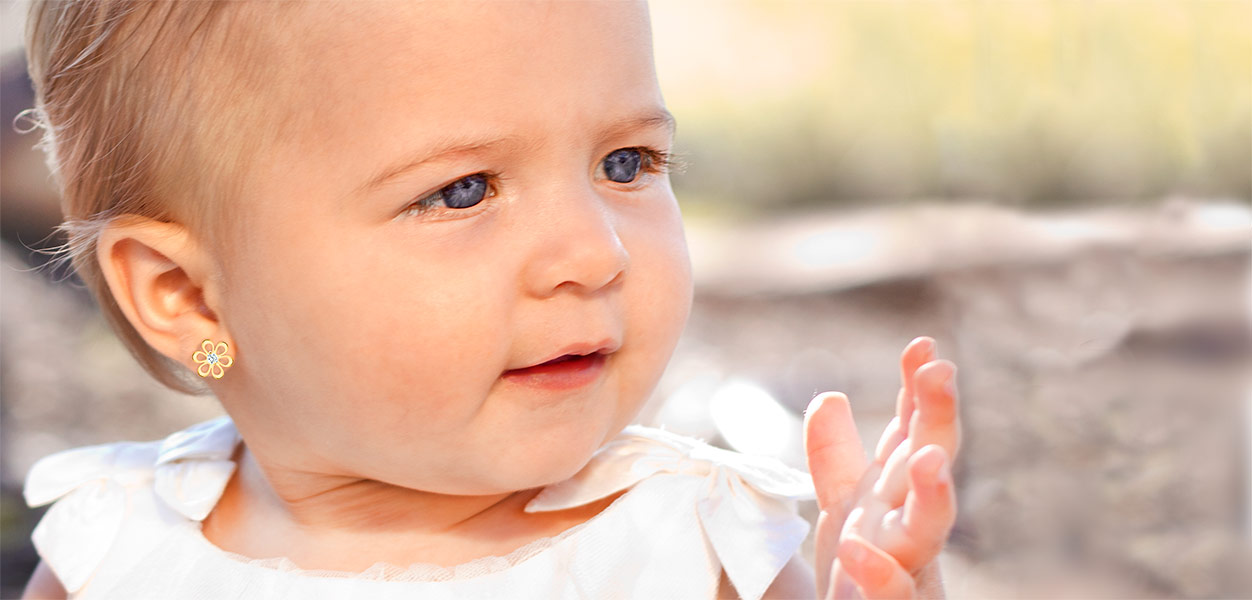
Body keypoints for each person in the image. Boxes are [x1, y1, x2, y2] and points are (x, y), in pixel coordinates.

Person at [18, 1, 960, 598]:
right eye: (462, 190)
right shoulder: (118, 551)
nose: (596, 253)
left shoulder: (684, 548)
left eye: (625, 163)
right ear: (187, 296)